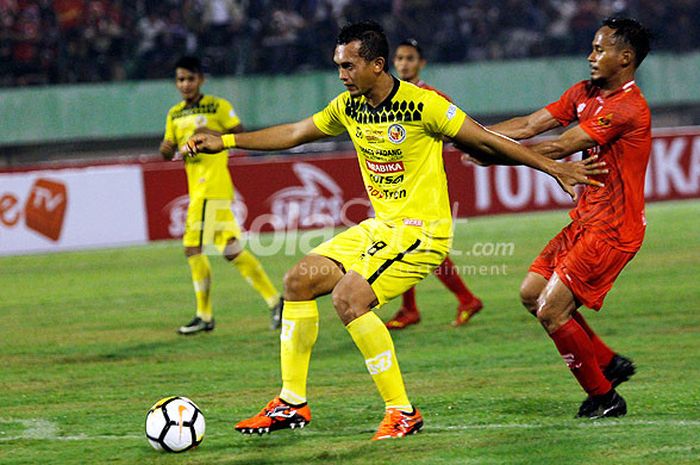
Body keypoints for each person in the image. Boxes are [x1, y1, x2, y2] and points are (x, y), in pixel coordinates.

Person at [186, 21, 603, 440]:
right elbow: (295, 132)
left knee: (349, 299)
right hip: (381, 227)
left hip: (422, 233)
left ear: (377, 64)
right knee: (298, 280)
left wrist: (553, 166)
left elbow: (489, 140)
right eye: (338, 66)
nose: (341, 74)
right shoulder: (349, 107)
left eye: (349, 66)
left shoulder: (423, 105)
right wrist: (226, 141)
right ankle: (291, 402)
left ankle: (402, 412)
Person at [468, 17, 652, 419]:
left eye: (599, 49)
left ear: (625, 58)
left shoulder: (627, 108)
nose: (590, 56)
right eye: (592, 47)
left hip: (613, 230)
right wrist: (472, 135)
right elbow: (531, 125)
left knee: (553, 310)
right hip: (586, 220)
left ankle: (606, 399)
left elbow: (562, 145)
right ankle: (607, 363)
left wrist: (492, 156)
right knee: (532, 294)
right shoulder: (585, 92)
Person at [159, 56, 283, 334]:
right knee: (230, 250)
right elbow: (167, 151)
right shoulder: (174, 114)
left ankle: (204, 315)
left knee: (192, 247)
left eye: (190, 78)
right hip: (201, 188)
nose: (185, 84)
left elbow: (240, 134)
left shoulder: (217, 106)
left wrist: (210, 132)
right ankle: (276, 301)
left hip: (210, 187)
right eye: (180, 79)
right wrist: (167, 148)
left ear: (201, 79)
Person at [386, 38, 483, 330]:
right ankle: (419, 307)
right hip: (396, 186)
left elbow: (458, 131)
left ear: (421, 63)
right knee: (402, 245)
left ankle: (420, 308)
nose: (404, 63)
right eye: (400, 58)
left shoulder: (433, 97)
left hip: (424, 187)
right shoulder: (387, 95)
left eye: (410, 58)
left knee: (408, 246)